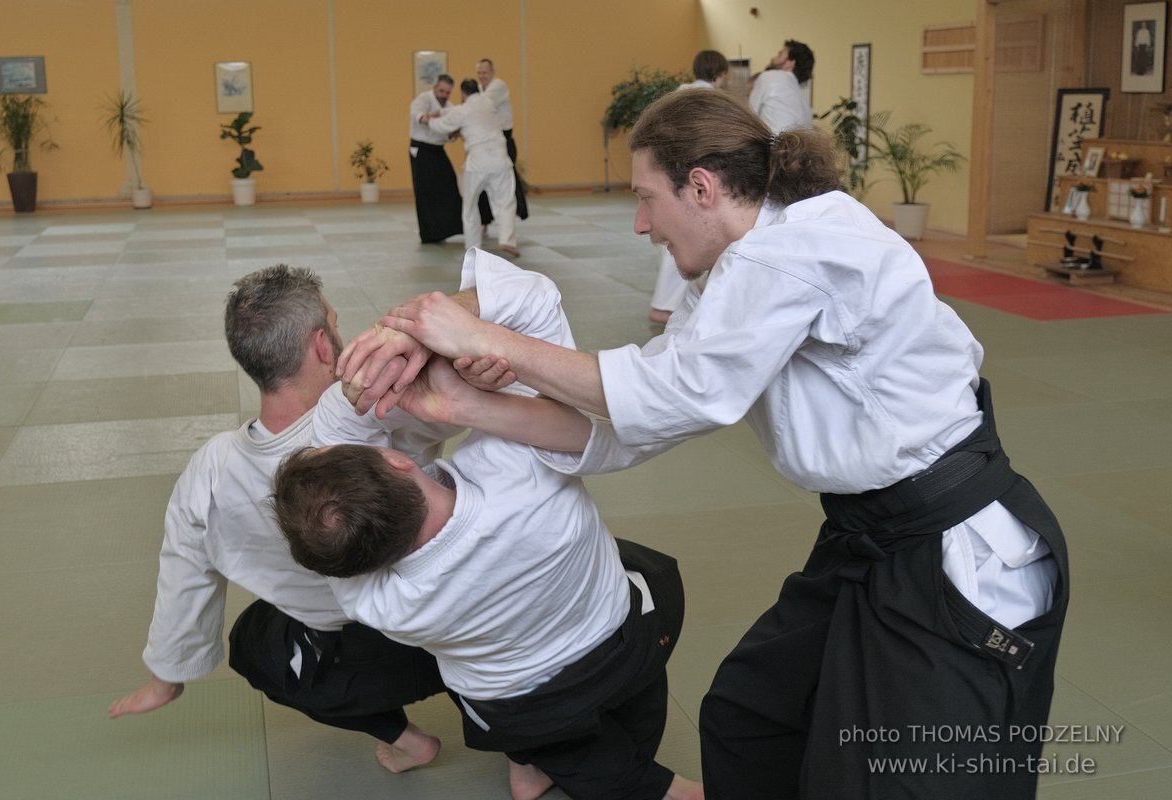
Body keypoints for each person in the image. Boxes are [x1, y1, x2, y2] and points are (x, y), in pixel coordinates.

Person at [340, 89, 1070, 800]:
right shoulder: (733, 273)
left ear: (700, 187)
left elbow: (672, 394)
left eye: (645, 197)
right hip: (866, 535)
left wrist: (486, 338)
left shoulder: (798, 249)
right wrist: (469, 403)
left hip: (950, 548)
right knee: (752, 718)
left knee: (915, 777)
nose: (638, 224)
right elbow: (633, 423)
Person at [276, 249, 702, 800]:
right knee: (643, 586)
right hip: (619, 646)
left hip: (513, 707)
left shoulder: (371, 599)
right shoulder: (518, 461)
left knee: (524, 712)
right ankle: (656, 786)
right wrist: (409, 338)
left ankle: (532, 763)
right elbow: (534, 298)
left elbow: (334, 464)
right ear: (398, 462)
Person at [107, 265, 451, 776]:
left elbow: (184, 569)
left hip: (359, 657)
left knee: (253, 643)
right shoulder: (383, 407)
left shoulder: (212, 468)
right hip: (454, 627)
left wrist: (167, 675)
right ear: (322, 345)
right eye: (334, 321)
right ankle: (521, 745)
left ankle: (405, 739)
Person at [649, 49, 729, 325]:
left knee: (674, 239)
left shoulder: (677, 94)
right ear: (721, 74)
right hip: (694, 177)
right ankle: (664, 306)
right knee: (685, 238)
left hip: (668, 172)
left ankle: (668, 304)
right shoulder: (714, 99)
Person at [423, 79, 519, 256]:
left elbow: (443, 125)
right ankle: (507, 240)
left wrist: (428, 120)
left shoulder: (462, 110)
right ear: (478, 90)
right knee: (505, 202)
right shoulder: (489, 103)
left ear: (463, 94)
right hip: (500, 159)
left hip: (477, 162)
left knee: (470, 205)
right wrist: (443, 111)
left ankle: (473, 246)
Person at [409, 74, 464, 243]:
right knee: (425, 191)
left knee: (449, 185)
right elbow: (417, 115)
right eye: (441, 91)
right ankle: (429, 234)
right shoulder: (424, 99)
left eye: (447, 92)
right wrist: (430, 117)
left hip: (437, 150)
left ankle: (445, 229)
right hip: (421, 149)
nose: (444, 95)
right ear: (435, 87)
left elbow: (449, 134)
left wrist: (454, 132)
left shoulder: (449, 107)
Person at [476, 57, 529, 221]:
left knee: (508, 178)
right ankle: (485, 218)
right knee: (481, 178)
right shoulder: (478, 89)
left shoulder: (498, 86)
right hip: (485, 140)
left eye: (485, 72)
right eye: (479, 73)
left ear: (492, 72)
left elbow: (482, 106)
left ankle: (515, 211)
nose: (482, 75)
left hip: (503, 139)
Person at [748, 38, 815, 134]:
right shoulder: (805, 105)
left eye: (780, 54)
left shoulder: (770, 76)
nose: (773, 58)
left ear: (790, 63)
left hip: (771, 147)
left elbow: (750, 117)